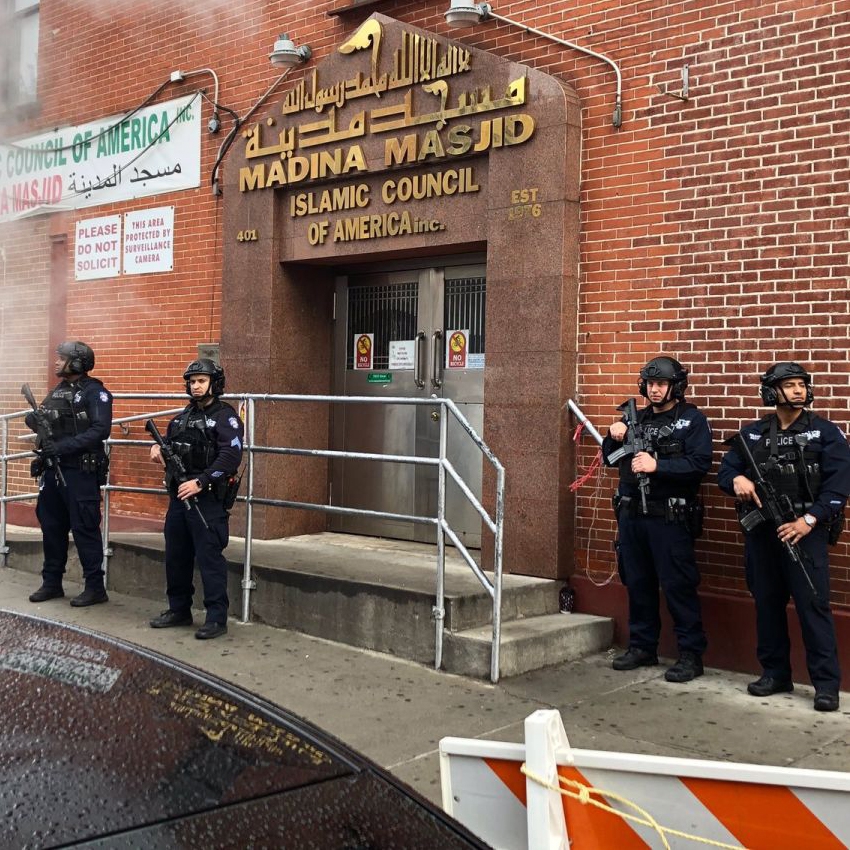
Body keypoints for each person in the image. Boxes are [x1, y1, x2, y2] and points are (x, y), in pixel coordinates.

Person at [718, 362, 850, 712]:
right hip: (764, 533)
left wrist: (809, 520)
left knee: (813, 606)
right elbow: (726, 469)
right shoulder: (754, 434)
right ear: (772, 392)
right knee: (766, 603)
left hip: (805, 534)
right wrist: (736, 480)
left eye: (801, 385)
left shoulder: (825, 433)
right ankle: (775, 673)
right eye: (789, 385)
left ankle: (825, 685)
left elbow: (839, 486)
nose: (797, 391)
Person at [603, 356, 711, 682]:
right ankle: (642, 646)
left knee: (678, 586)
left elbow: (700, 464)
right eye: (650, 384)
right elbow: (609, 459)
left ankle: (691, 655)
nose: (655, 389)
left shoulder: (691, 420)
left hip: (669, 517)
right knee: (637, 582)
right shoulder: (636, 419)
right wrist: (613, 435)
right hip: (633, 516)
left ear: (675, 386)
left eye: (661, 384)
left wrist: (658, 466)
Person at [149, 359, 243, 640]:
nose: (196, 386)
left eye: (201, 380)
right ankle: (179, 609)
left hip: (208, 499)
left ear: (214, 383)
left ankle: (216, 617)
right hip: (180, 496)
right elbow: (169, 445)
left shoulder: (226, 417)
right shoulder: (182, 417)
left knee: (209, 558)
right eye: (192, 381)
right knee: (176, 556)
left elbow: (231, 456)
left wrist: (202, 480)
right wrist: (156, 449)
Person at [27, 341, 113, 607]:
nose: (56, 362)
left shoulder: (95, 392)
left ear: (76, 362)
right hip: (54, 470)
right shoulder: (58, 391)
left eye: (61, 358)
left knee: (85, 528)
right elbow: (41, 418)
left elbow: (100, 430)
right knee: (52, 527)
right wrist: (37, 420)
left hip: (80, 472)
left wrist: (63, 446)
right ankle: (52, 582)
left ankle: (95, 587)